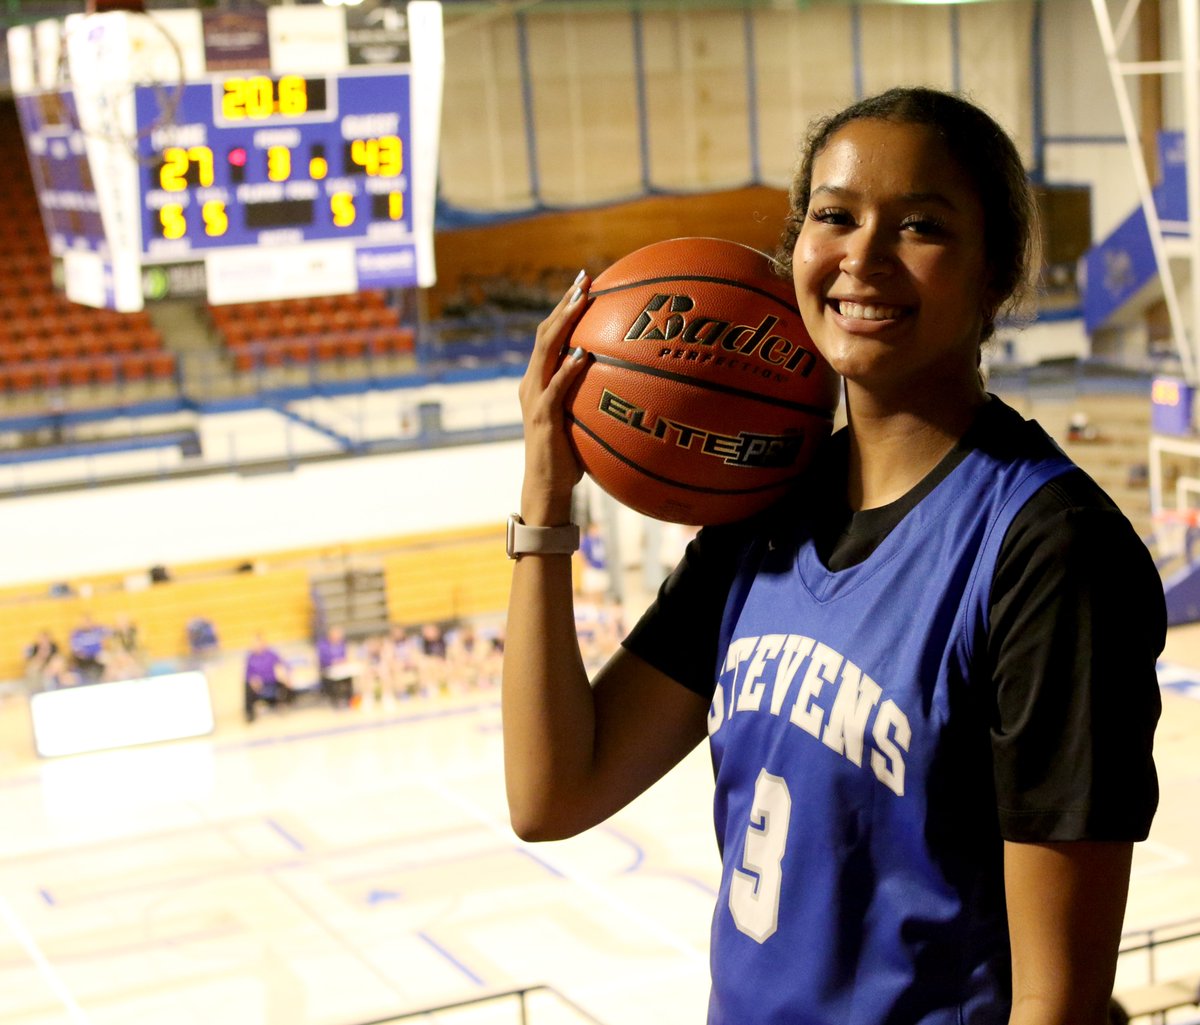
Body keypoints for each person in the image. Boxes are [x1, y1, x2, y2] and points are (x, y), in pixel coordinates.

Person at [502, 86, 1164, 1025]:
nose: (862, 255)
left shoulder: (1048, 550)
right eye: (834, 215)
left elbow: (1055, 1000)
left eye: (922, 225)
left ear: (995, 272)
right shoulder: (758, 512)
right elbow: (553, 791)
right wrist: (544, 501)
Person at [243, 633, 293, 722]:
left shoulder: (272, 654)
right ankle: (249, 713)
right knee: (247, 685)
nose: (255, 646)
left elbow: (285, 666)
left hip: (274, 682)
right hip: (259, 685)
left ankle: (283, 703)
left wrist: (284, 674)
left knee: (286, 680)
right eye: (253, 644)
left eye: (257, 643)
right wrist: (252, 680)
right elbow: (247, 674)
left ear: (263, 643)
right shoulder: (250, 658)